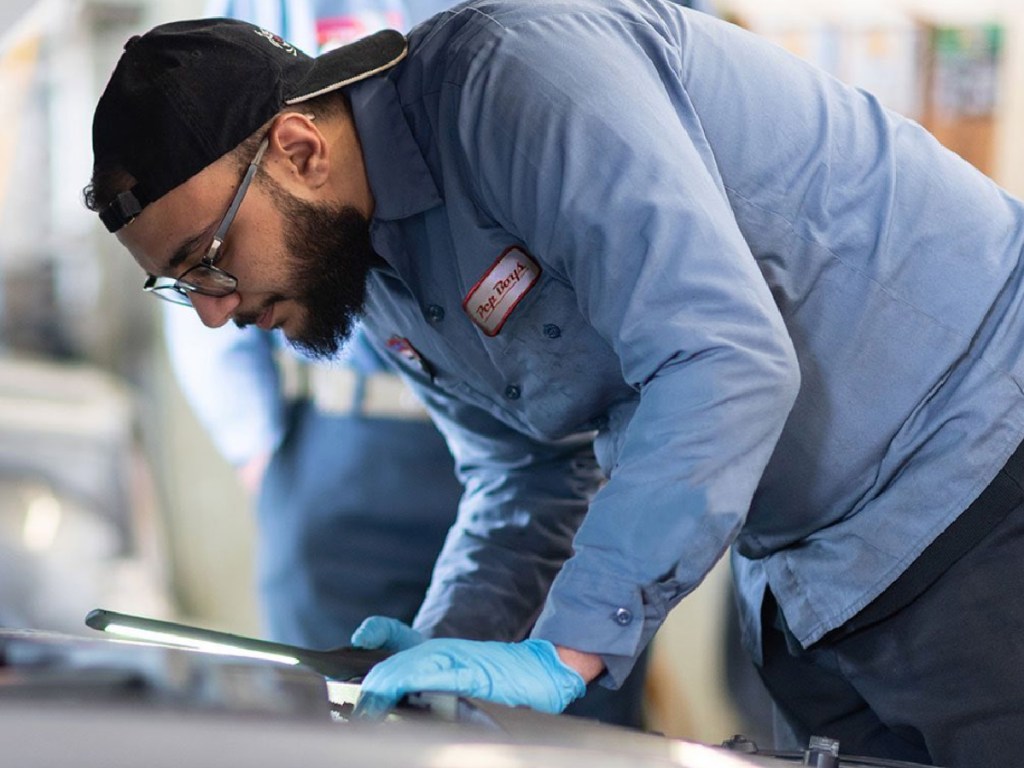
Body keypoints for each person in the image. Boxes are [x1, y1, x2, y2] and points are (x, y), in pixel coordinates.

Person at [84, 1, 1024, 763]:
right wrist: (447, 664)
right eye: (179, 283)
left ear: (299, 148)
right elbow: (524, 473)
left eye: (210, 258)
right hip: (814, 573)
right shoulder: (370, 261)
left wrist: (567, 647)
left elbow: (725, 357)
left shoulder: (518, 81)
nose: (211, 312)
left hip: (978, 476)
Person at [162, 0, 652, 728]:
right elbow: (193, 213)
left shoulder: (520, 46)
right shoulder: (245, 19)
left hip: (562, 438)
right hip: (346, 442)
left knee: (573, 713)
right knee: (348, 719)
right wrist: (257, 447)